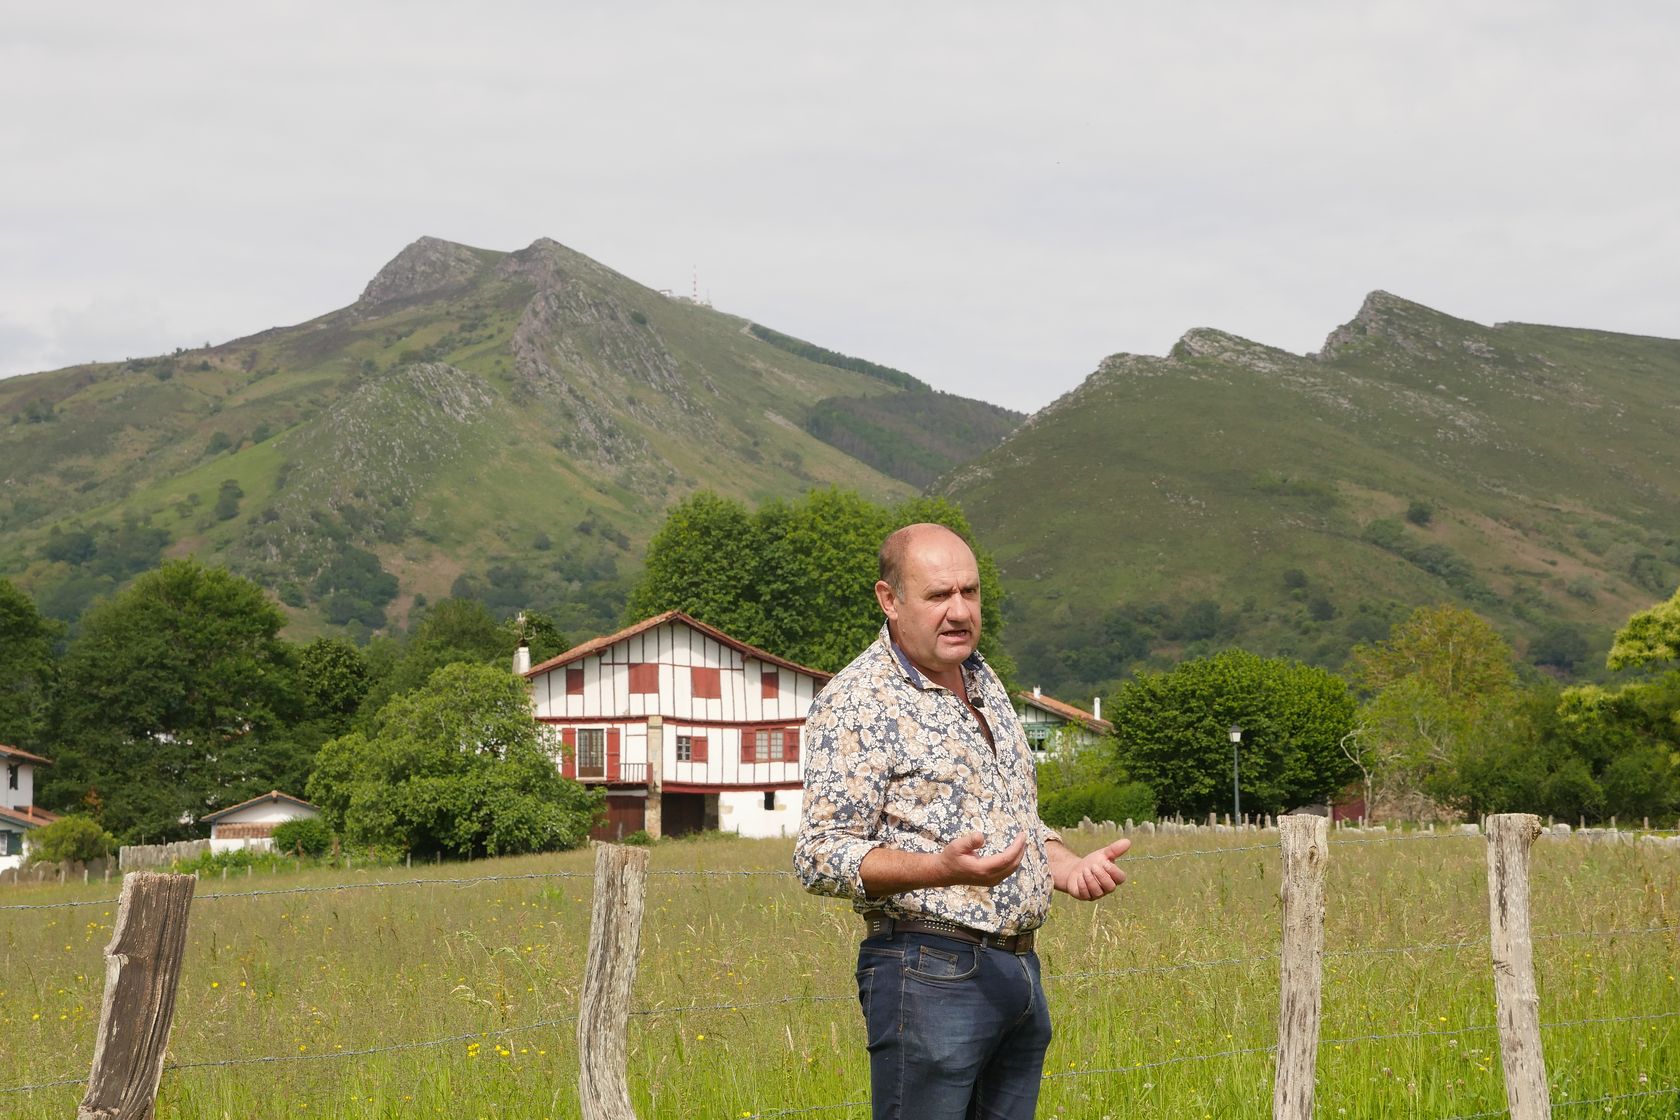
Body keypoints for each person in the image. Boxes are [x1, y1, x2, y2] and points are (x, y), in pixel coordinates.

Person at [794, 522, 1130, 1120]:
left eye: (969, 593)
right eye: (938, 596)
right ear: (889, 600)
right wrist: (937, 869)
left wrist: (1066, 865)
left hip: (1019, 970)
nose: (959, 611)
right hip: (928, 973)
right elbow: (820, 855)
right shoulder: (857, 703)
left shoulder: (983, 678)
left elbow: (1010, 817)